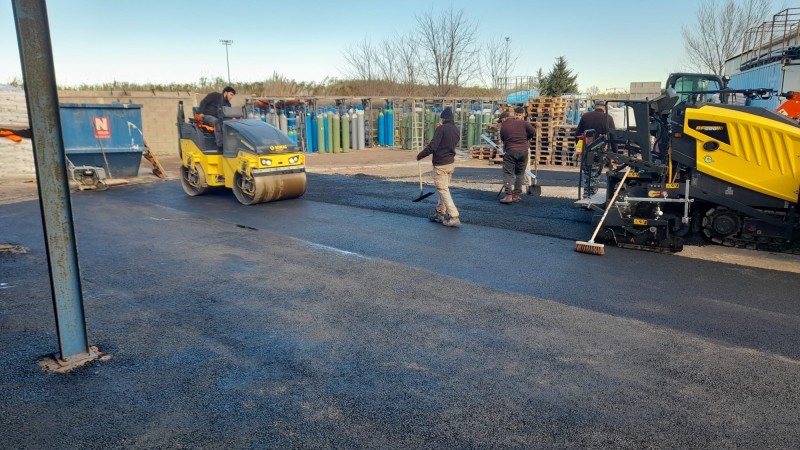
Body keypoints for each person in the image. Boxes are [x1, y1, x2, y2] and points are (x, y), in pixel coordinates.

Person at [416, 107, 461, 227]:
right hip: (450, 163)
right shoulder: (456, 130)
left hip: (440, 164)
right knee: (444, 189)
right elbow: (448, 141)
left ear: (443, 118)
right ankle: (440, 213)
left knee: (443, 190)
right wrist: (440, 129)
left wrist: (420, 155)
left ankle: (454, 215)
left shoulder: (441, 129)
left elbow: (433, 146)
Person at [499, 106, 536, 204]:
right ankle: (516, 195)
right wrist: (526, 138)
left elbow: (502, 137)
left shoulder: (505, 125)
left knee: (508, 173)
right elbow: (533, 131)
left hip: (510, 151)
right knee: (520, 174)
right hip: (524, 151)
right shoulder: (524, 123)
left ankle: (508, 196)